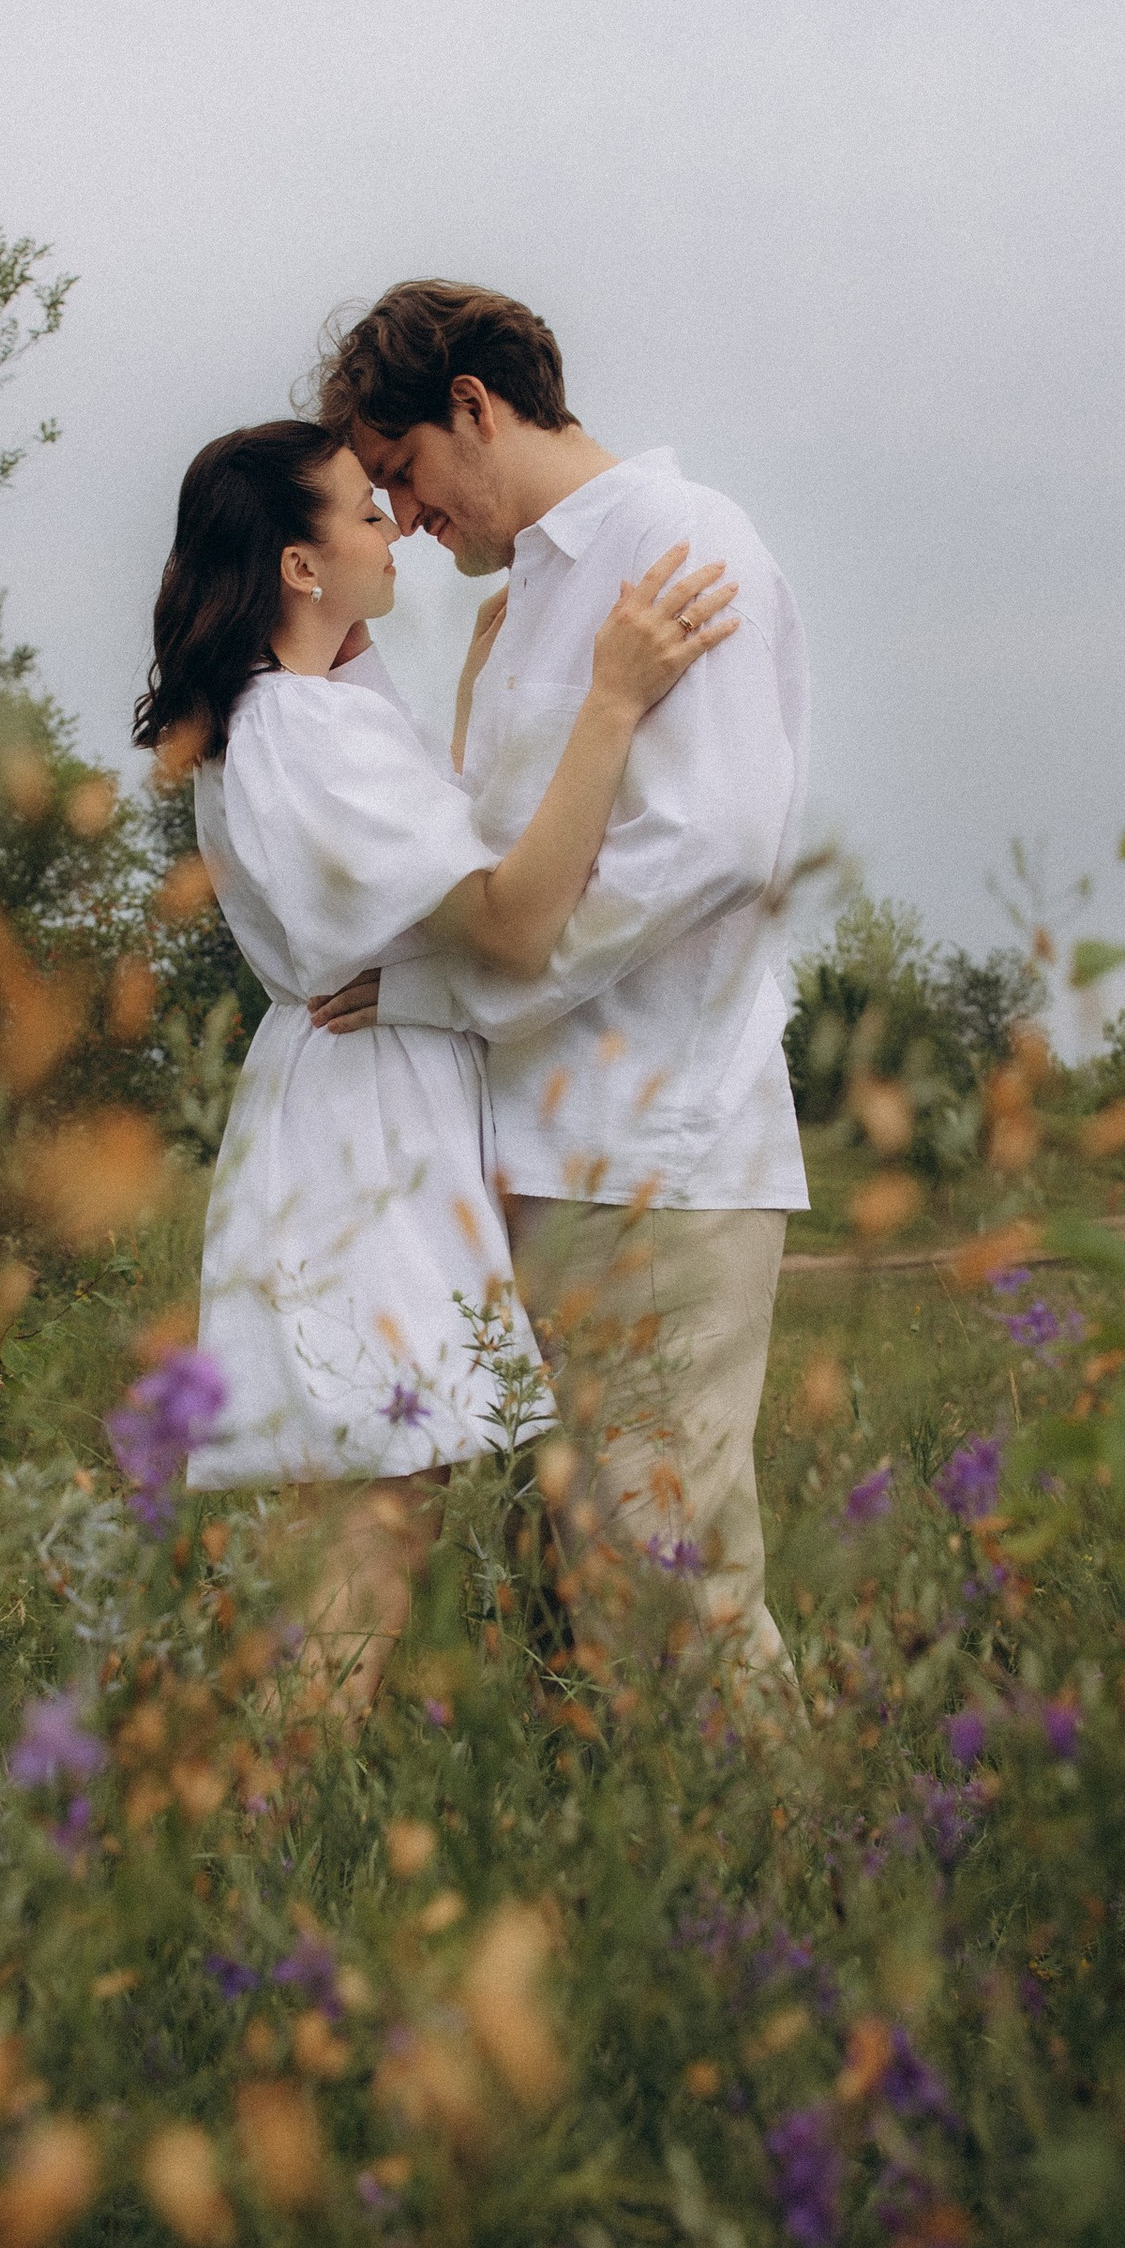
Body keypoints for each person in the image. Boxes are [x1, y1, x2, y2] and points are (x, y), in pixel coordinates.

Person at [131, 418, 736, 1718]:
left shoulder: (298, 709)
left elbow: (435, 843)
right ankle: (261, 1844)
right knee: (378, 1508)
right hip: (365, 1124)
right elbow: (514, 919)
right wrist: (613, 700)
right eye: (362, 511)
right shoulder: (302, 730)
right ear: (300, 565)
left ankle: (264, 1829)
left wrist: (466, 689)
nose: (394, 526)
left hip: (367, 1103)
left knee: (384, 1500)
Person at [311, 281, 812, 1706]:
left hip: (654, 1152)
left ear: (476, 405)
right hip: (538, 1150)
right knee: (568, 1602)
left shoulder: (680, 540)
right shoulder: (530, 591)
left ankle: (818, 1909)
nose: (402, 518)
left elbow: (711, 841)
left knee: (671, 1595)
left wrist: (462, 988)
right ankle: (632, 1922)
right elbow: (511, 853)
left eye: (403, 472)